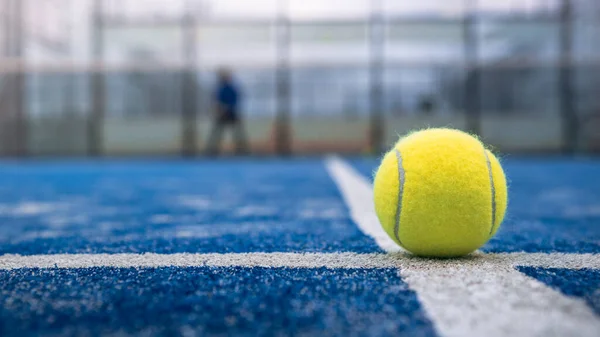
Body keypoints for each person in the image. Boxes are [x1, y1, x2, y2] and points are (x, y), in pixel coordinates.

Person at [205, 68, 248, 155]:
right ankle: (212, 150)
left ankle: (242, 150)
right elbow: (216, 101)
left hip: (231, 113)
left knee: (238, 133)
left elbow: (235, 100)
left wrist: (227, 108)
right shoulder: (220, 89)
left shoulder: (231, 88)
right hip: (223, 114)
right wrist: (220, 109)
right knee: (217, 133)